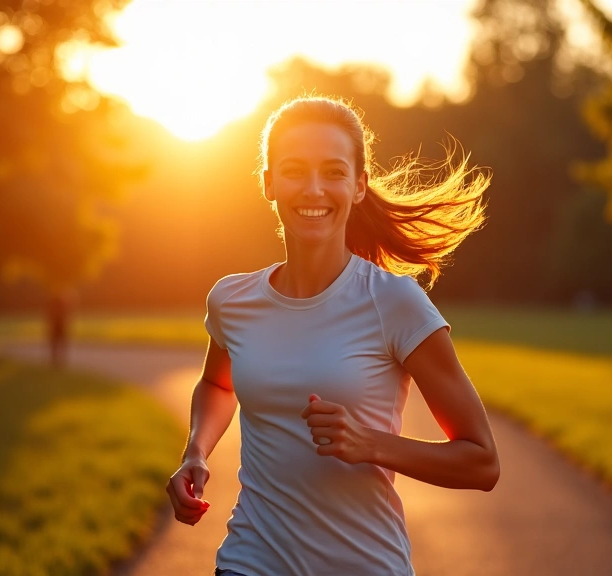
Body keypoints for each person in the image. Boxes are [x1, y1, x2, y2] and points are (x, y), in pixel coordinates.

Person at [166, 96, 499, 576]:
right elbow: (219, 384)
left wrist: (372, 444)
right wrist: (195, 452)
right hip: (250, 562)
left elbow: (482, 461)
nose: (314, 189)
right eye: (295, 170)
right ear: (269, 183)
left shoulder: (394, 302)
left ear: (359, 186)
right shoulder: (232, 300)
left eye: (334, 172)